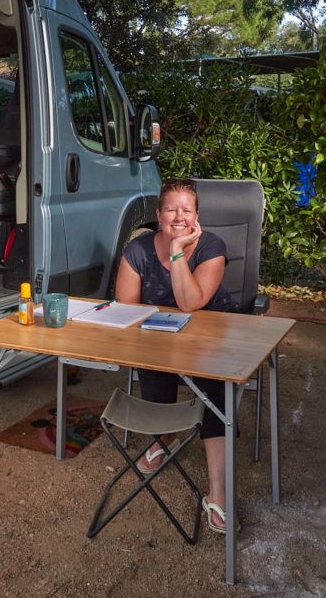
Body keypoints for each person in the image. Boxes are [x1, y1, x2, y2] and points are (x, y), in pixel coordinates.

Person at [114, 177, 237, 533]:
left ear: (197, 215)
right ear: (158, 214)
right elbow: (126, 309)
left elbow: (190, 302)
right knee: (151, 366)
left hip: (216, 334)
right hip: (162, 335)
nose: (179, 217)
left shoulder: (212, 246)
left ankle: (218, 492)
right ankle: (162, 437)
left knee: (215, 387)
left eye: (187, 210)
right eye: (171, 210)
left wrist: (179, 250)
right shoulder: (138, 249)